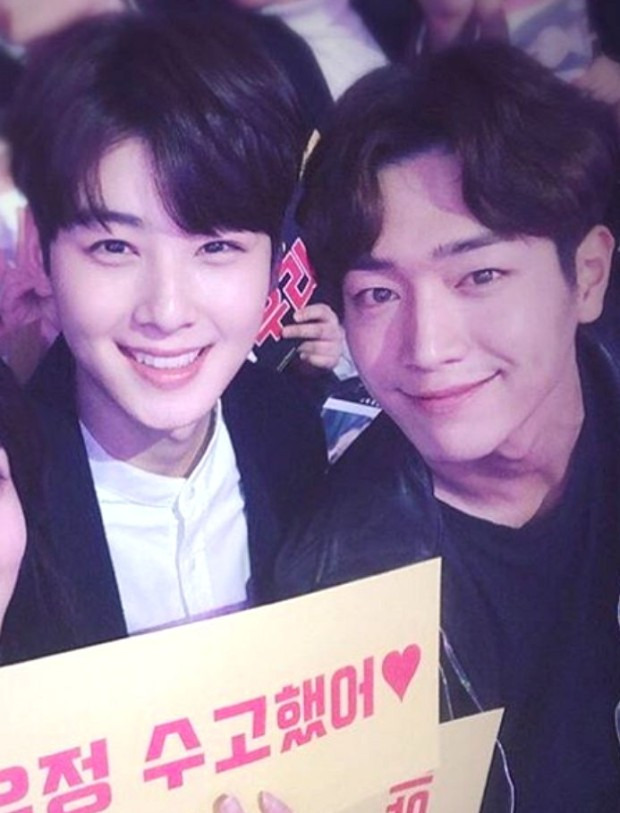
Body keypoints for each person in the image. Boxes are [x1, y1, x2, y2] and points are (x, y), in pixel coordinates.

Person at [277, 43, 620, 811]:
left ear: (587, 276)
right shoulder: (339, 584)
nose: (428, 347)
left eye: (479, 275)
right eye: (377, 294)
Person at [3, 11, 327, 663]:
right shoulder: (15, 509)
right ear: (39, 250)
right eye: (115, 247)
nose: (168, 310)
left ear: (273, 257)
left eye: (216, 246)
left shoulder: (289, 432)